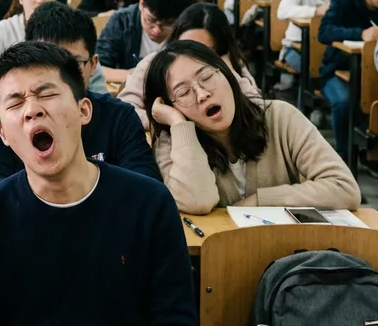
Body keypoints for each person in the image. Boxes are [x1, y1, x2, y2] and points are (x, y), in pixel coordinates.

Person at [0, 41, 197, 326]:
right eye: (15, 103)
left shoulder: (149, 205)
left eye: (47, 94)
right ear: (3, 134)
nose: (32, 110)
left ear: (84, 110)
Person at [145, 41, 360, 214]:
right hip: (220, 261)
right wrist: (179, 124)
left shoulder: (279, 116)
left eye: (207, 77)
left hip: (290, 257)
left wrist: (260, 200)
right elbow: (197, 202)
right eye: (183, 93)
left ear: (226, 74)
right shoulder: (174, 142)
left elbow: (344, 188)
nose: (202, 95)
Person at [0, 3, 159, 185]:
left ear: (93, 64)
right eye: (46, 64)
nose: (59, 75)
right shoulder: (10, 118)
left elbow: (145, 188)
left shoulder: (119, 117)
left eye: (72, 64)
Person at [119, 3, 259, 128]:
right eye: (183, 46)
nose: (188, 55)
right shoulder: (153, 64)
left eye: (200, 52)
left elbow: (258, 109)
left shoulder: (230, 64)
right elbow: (124, 111)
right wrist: (172, 122)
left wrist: (225, 69)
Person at [319, 0, 378, 161]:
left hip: (371, 72)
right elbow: (324, 32)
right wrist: (360, 34)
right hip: (336, 70)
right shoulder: (344, 0)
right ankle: (343, 157)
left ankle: (370, 152)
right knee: (344, 101)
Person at [97, 0, 193, 84]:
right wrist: (134, 75)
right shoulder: (121, 21)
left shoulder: (189, 28)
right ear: (141, 4)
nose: (156, 31)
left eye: (167, 24)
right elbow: (97, 68)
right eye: (150, 20)